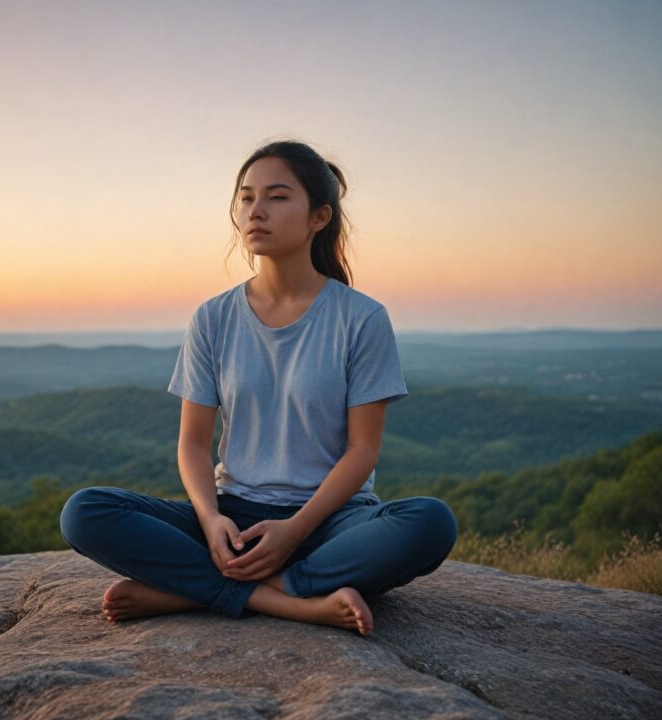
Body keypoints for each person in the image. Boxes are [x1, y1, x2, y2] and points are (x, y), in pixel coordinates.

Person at [59, 139, 458, 636]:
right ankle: (292, 600)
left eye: (277, 197)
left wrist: (293, 532)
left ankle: (190, 591)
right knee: (85, 512)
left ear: (319, 217)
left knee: (430, 523)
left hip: (329, 522)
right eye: (246, 198)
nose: (256, 211)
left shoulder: (361, 318)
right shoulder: (213, 317)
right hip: (234, 517)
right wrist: (209, 521)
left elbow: (362, 451)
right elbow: (193, 443)